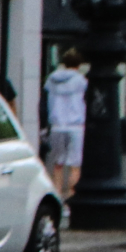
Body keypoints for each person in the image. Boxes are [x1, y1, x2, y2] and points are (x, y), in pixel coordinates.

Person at [43, 48, 88, 203]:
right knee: (75, 165)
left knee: (58, 163)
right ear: (79, 64)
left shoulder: (51, 79)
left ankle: (57, 195)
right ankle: (71, 195)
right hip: (75, 126)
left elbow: (45, 102)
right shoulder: (81, 81)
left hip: (56, 125)